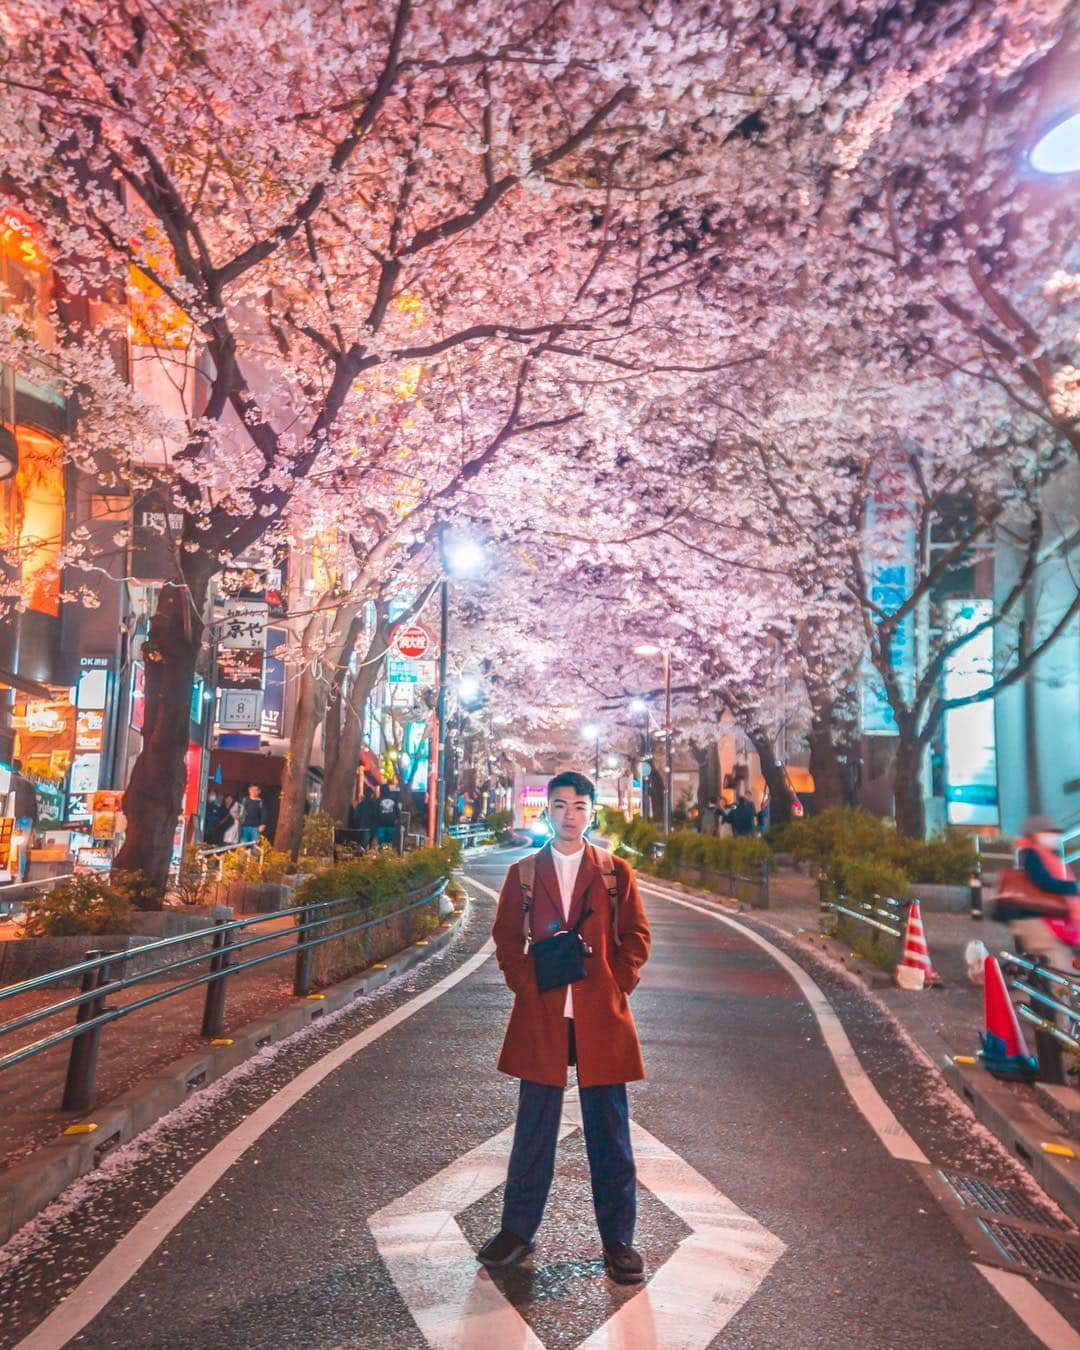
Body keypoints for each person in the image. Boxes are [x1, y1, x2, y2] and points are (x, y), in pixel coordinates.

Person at [481, 771, 651, 1285]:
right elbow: (507, 937)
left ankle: (619, 1240)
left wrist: (615, 984)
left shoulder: (615, 871)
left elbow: (637, 935)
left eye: (579, 805)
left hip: (601, 1016)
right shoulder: (526, 873)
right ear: (547, 811)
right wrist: (525, 983)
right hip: (545, 1013)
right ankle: (517, 1230)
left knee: (610, 1132)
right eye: (559, 805)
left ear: (591, 812)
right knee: (534, 1127)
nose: (570, 814)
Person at [995, 815, 1079, 971]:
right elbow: (1042, 881)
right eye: (1049, 831)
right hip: (1035, 918)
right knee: (1057, 965)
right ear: (1035, 834)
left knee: (1051, 963)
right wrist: (1071, 887)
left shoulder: (1039, 854)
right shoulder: (1033, 853)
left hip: (1037, 918)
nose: (1054, 836)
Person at [10, 759, 38, 881]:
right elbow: (34, 807)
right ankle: (18, 876)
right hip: (26, 820)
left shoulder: (6, 779)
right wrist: (33, 826)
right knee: (20, 848)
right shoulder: (29, 784)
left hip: (10, 817)